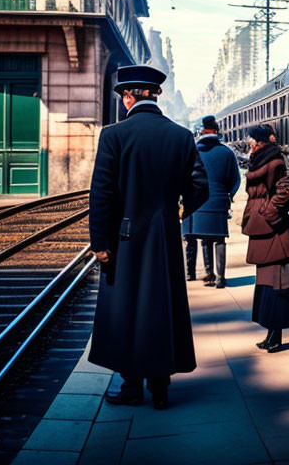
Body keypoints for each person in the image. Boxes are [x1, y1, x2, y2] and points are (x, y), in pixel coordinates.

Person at [88, 65, 209, 410]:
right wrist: (180, 211)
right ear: (155, 95)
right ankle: (160, 388)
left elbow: (102, 194)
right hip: (165, 238)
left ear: (128, 97)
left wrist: (100, 243)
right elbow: (201, 187)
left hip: (124, 240)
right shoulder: (181, 136)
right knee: (160, 307)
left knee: (128, 311)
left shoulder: (114, 135)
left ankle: (131, 386)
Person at [241, 125, 289, 353]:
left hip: (272, 230)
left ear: (259, 141)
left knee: (276, 282)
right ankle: (271, 334)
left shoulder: (273, 161)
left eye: (252, 140)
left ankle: (275, 336)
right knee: (267, 283)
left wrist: (268, 214)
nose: (250, 144)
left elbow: (285, 190)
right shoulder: (260, 159)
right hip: (264, 229)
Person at [182, 115, 241, 288]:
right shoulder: (227, 152)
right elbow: (235, 180)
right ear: (216, 132)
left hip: (195, 205)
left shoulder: (192, 152)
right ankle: (220, 278)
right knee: (219, 239)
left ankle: (200, 273)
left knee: (200, 238)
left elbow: (183, 177)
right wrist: (228, 196)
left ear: (201, 132)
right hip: (218, 203)